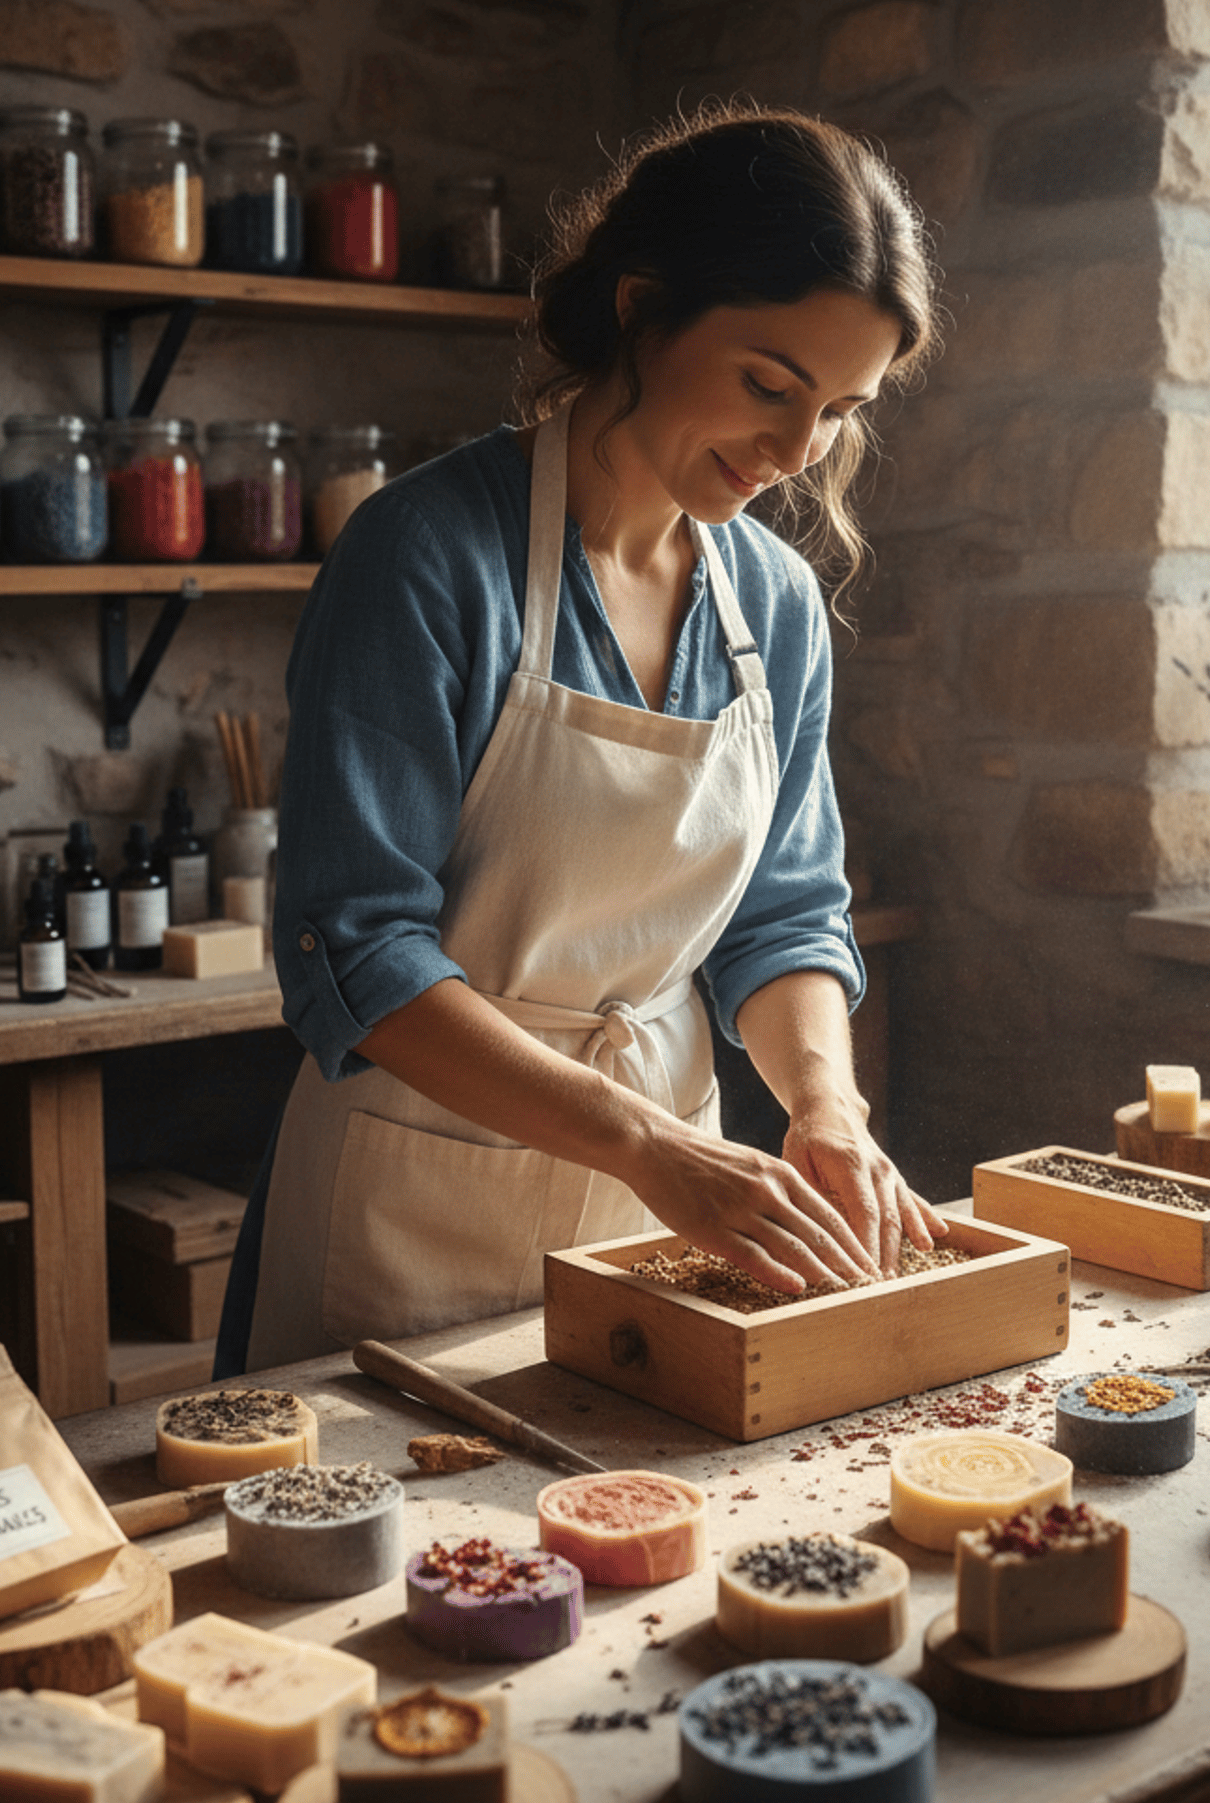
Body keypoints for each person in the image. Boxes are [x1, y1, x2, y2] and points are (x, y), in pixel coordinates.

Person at [217, 103, 946, 1375]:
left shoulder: (772, 608)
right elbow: (359, 953)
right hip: (412, 1205)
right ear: (640, 305)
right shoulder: (427, 558)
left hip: (668, 1205)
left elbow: (781, 919)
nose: (793, 451)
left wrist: (824, 1097)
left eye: (837, 410)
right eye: (769, 385)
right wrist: (642, 1145)